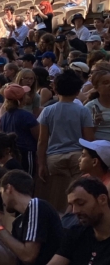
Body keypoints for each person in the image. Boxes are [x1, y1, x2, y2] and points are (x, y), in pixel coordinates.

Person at [0, 170, 63, 265]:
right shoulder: (18, 221)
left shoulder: (36, 205)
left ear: (8, 188)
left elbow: (28, 256)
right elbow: (10, 257)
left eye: (1, 192)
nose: (2, 199)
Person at [38, 69, 95, 212]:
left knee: (58, 197)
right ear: (77, 91)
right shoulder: (83, 111)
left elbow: (42, 140)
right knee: (78, 195)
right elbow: (89, 139)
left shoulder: (47, 111)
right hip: (78, 157)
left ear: (55, 89)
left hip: (54, 158)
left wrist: (41, 164)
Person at [47, 177, 110, 265]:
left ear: (102, 199)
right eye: (72, 205)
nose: (75, 211)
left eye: (80, 203)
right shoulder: (76, 233)